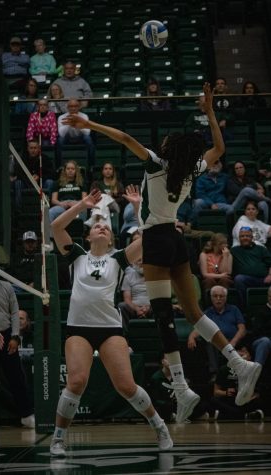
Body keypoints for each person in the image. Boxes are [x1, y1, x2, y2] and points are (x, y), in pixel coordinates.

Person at [62, 82, 262, 423]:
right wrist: (210, 111)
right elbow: (219, 147)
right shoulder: (190, 169)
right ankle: (239, 362)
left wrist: (89, 124)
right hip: (176, 238)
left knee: (163, 315)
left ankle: (182, 389)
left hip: (155, 238)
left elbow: (126, 139)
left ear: (170, 148)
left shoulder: (157, 163)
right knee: (194, 311)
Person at [49, 189, 173, 456]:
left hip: (109, 329)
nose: (102, 227)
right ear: (89, 234)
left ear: (112, 236)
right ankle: (58, 438)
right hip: (78, 328)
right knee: (76, 382)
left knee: (126, 386)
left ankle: (160, 426)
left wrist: (139, 208)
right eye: (97, 225)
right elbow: (56, 225)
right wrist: (82, 205)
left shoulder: (118, 258)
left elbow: (148, 238)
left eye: (106, 226)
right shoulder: (77, 254)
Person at [0, 279, 35, 428]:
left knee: (16, 377)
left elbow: (14, 312)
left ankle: (26, 415)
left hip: (7, 334)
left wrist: (14, 336)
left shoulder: (6, 286)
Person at [188, 285, 246, 377]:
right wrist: (191, 337)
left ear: (225, 298)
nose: (218, 299)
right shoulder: (208, 312)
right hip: (217, 343)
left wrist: (233, 342)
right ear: (211, 298)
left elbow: (242, 329)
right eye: (215, 296)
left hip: (233, 341)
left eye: (221, 296)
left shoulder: (234, 309)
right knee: (210, 340)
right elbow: (199, 328)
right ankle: (215, 374)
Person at [210, 344, 265, 421]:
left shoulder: (254, 370)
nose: (241, 354)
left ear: (250, 357)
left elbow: (257, 393)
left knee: (259, 401)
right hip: (230, 400)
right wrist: (226, 392)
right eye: (239, 351)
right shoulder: (224, 369)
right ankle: (246, 415)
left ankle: (227, 415)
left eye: (244, 352)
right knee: (214, 400)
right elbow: (216, 392)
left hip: (246, 401)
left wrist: (251, 396)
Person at [231, 226, 271, 309]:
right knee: (239, 279)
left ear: (252, 237)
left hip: (263, 279)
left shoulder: (261, 249)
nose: (245, 238)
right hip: (245, 280)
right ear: (239, 238)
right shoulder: (234, 250)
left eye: (247, 236)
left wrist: (270, 275)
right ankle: (244, 309)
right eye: (242, 236)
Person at [13, 140, 55, 209]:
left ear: (39, 149)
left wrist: (39, 177)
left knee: (50, 182)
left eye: (35, 148)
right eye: (31, 148)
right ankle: (18, 208)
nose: (33, 150)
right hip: (26, 183)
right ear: (28, 148)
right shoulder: (22, 159)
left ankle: (49, 206)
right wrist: (29, 178)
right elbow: (18, 174)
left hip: (41, 183)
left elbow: (52, 174)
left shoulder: (45, 159)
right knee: (18, 183)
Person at [192, 159, 234, 224]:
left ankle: (222, 225)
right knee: (197, 202)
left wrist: (254, 185)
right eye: (212, 163)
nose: (215, 165)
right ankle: (195, 225)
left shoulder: (225, 177)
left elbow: (235, 182)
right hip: (205, 203)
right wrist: (211, 204)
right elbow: (200, 194)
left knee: (231, 209)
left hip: (220, 203)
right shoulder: (201, 179)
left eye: (217, 163)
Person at [57, 99, 95, 168]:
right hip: (67, 138)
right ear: (67, 107)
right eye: (71, 106)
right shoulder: (62, 117)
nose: (73, 108)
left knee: (88, 139)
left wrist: (78, 124)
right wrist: (70, 123)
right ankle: (59, 166)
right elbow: (61, 134)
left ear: (79, 107)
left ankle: (91, 165)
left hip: (80, 137)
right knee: (60, 140)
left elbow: (88, 132)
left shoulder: (84, 116)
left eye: (75, 106)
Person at [149, 353, 177, 422]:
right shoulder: (155, 378)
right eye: (168, 359)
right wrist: (169, 404)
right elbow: (155, 400)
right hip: (164, 406)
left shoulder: (178, 376)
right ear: (162, 361)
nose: (171, 362)